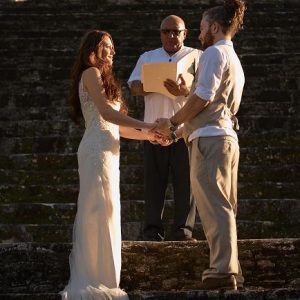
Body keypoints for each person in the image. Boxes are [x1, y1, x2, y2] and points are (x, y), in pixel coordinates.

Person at [154, 0, 246, 290]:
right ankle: (233, 270)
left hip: (211, 140)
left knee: (215, 206)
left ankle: (222, 270)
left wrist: (170, 122)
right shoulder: (234, 60)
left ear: (215, 27)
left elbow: (202, 98)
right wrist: (179, 131)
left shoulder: (212, 53)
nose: (200, 33)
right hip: (224, 137)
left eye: (203, 27)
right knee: (224, 206)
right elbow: (215, 107)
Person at [60, 30, 158, 300]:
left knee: (109, 210)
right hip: (95, 150)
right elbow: (104, 113)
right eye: (107, 45)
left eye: (113, 47)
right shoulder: (90, 73)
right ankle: (94, 277)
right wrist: (148, 124)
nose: (112, 51)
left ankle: (106, 276)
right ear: (93, 47)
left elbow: (118, 126)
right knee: (97, 210)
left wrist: (149, 135)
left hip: (109, 152)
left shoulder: (104, 78)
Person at [128, 15, 201, 241]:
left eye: (175, 32)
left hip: (183, 131)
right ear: (160, 33)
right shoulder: (147, 57)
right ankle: (152, 230)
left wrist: (184, 90)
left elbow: (204, 90)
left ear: (185, 33)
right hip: (153, 132)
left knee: (185, 184)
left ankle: (183, 230)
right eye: (166, 31)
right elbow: (133, 86)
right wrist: (155, 84)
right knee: (153, 184)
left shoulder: (196, 56)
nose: (171, 36)